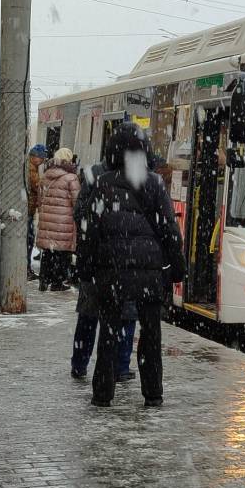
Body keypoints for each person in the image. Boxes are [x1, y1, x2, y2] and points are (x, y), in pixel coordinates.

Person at [77, 122, 185, 408]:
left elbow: (89, 231)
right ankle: (153, 394)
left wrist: (85, 268)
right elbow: (170, 231)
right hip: (149, 273)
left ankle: (103, 393)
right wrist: (178, 267)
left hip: (111, 272)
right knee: (150, 335)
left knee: (109, 334)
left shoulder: (103, 184)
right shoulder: (154, 184)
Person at [70, 159, 138, 382]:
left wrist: (93, 237)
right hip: (124, 262)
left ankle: (79, 364)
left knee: (89, 315)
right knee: (126, 315)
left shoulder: (94, 174)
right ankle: (120, 366)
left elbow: (79, 213)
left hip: (95, 259)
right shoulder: (137, 175)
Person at [35, 147, 80, 292]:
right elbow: (77, 201)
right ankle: (57, 282)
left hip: (47, 221)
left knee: (48, 252)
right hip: (63, 222)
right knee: (62, 253)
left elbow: (40, 200)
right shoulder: (71, 178)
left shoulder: (46, 175)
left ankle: (43, 280)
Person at [26, 144, 48, 281]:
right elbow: (38, 185)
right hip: (28, 210)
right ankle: (26, 269)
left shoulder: (31, 167)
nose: (43, 161)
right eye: (42, 158)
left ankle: (27, 268)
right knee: (28, 240)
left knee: (29, 240)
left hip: (29, 209)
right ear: (34, 156)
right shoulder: (31, 169)